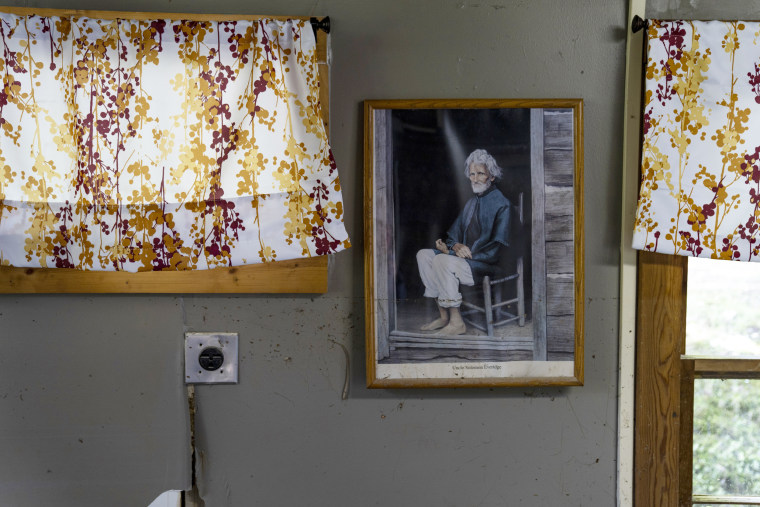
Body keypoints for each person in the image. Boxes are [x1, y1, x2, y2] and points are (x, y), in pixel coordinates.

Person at [416, 149, 511, 335]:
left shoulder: (503, 205)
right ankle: (444, 317)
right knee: (424, 255)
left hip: (487, 264)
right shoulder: (471, 203)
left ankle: (457, 323)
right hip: (464, 260)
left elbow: (496, 251)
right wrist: (453, 246)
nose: (474, 179)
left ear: (491, 176)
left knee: (441, 261)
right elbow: (453, 236)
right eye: (472, 173)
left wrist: (451, 254)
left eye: (481, 173)